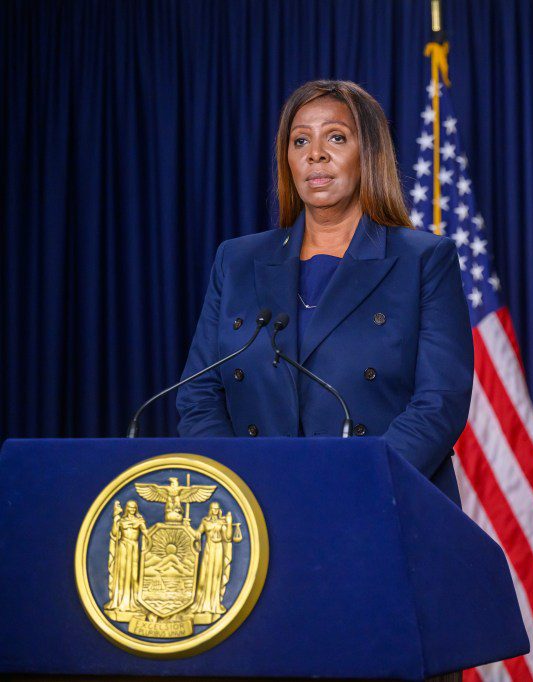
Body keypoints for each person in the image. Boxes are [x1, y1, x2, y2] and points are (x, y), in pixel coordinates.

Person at [176, 80, 473, 506]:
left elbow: (439, 403)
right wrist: (240, 486)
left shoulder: (423, 260)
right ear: (288, 160)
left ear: (367, 154)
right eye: (300, 141)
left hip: (380, 501)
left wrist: (357, 485)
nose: (316, 153)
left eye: (336, 137)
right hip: (257, 510)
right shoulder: (237, 260)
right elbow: (198, 395)